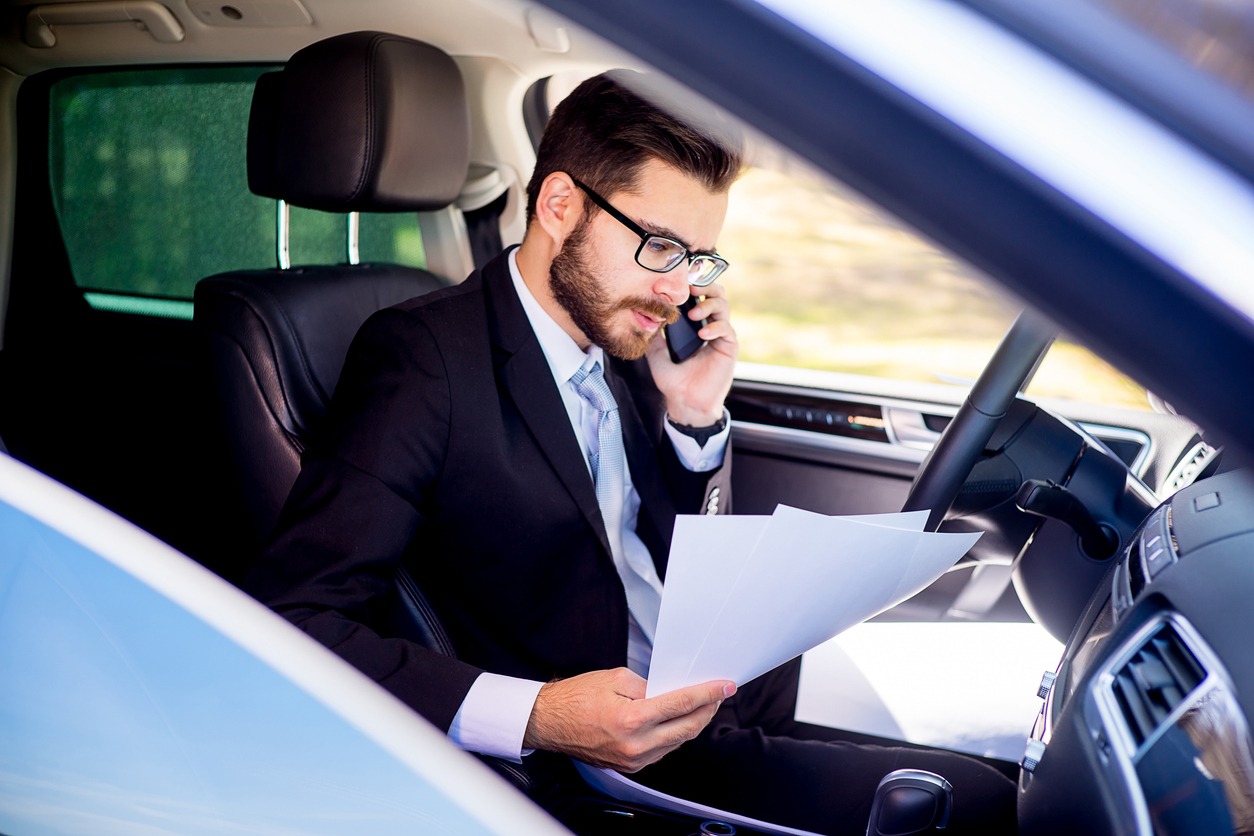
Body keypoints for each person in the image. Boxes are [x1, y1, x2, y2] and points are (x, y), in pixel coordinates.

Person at [247, 71, 1017, 835]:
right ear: (559, 206)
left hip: (723, 686)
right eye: (660, 246)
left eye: (700, 259)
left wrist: (694, 413)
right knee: (972, 803)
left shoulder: (617, 337)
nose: (680, 291)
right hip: (616, 752)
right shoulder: (422, 357)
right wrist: (543, 716)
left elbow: (642, 543)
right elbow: (297, 618)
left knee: (1008, 768)